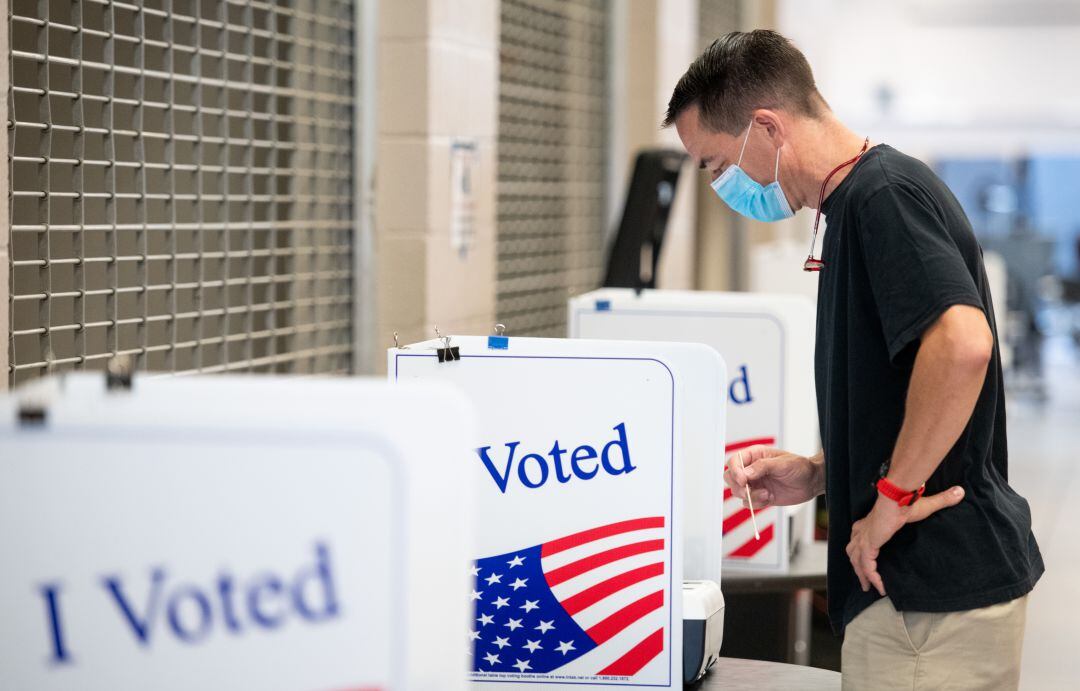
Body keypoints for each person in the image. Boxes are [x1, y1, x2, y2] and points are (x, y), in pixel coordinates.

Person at [663, 30, 1043, 690]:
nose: (722, 184)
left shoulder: (881, 198)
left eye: (717, 163)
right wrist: (817, 474)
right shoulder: (856, 203)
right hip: (919, 595)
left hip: (926, 596)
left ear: (765, 127)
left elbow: (963, 345)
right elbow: (901, 386)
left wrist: (891, 500)